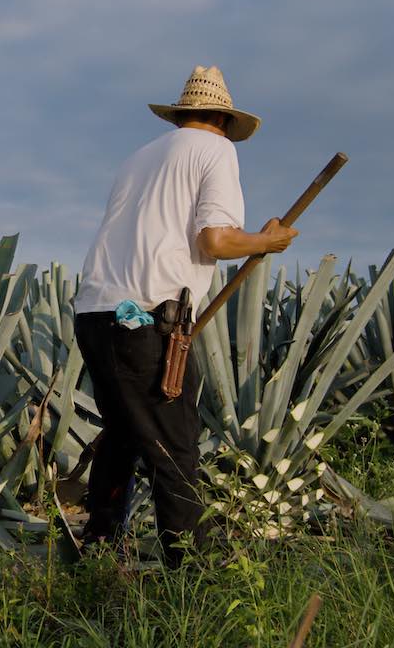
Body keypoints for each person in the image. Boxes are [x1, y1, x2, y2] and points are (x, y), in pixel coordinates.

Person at [72, 65, 298, 567]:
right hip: (149, 319)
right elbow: (214, 240)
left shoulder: (139, 159)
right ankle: (191, 577)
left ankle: (99, 551)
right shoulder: (216, 150)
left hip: (94, 313)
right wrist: (268, 241)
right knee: (174, 449)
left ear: (182, 116)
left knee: (125, 433)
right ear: (222, 118)